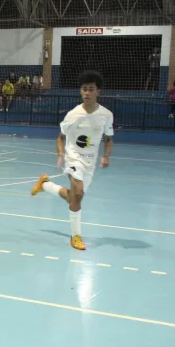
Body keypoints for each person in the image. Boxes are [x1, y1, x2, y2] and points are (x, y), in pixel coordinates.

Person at [30, 70, 114, 251]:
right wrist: (61, 155)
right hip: (73, 157)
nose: (87, 93)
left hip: (90, 163)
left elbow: (108, 139)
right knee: (78, 194)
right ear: (80, 91)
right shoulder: (73, 115)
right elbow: (59, 138)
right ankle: (76, 237)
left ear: (98, 91)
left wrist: (106, 156)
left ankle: (46, 185)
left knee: (76, 197)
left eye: (91, 89)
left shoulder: (106, 115)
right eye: (84, 89)